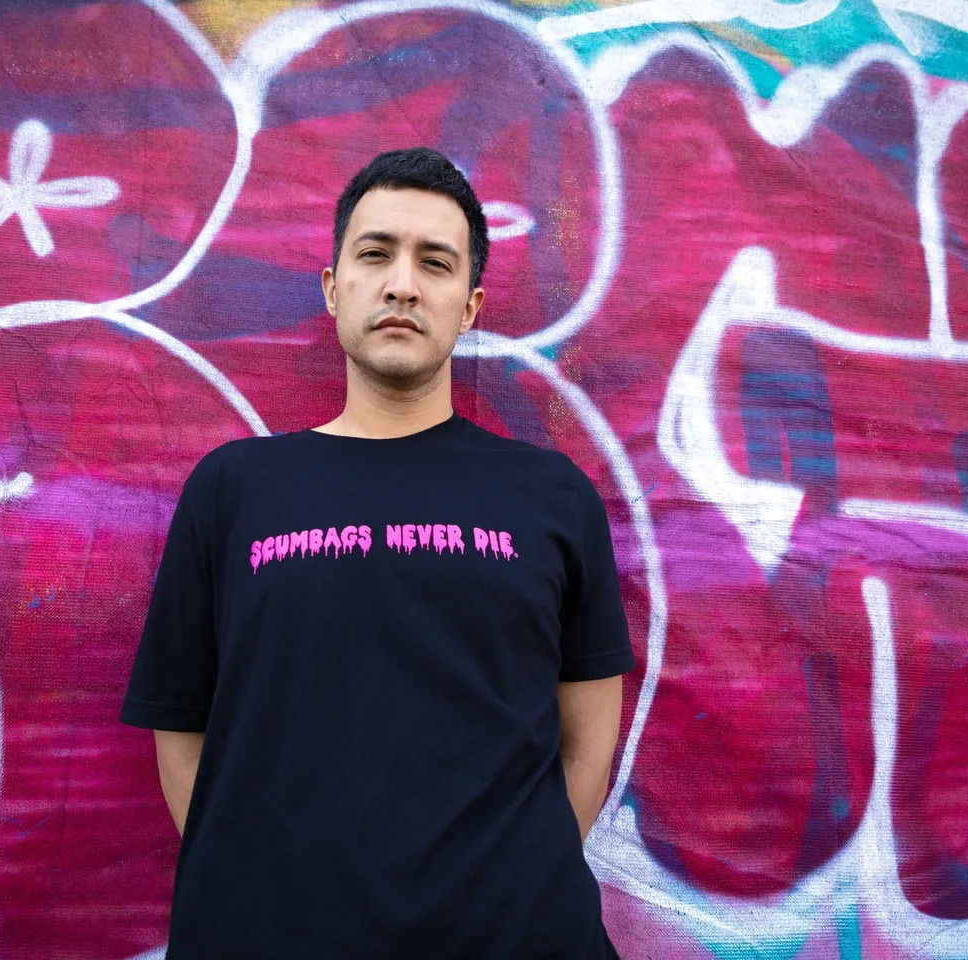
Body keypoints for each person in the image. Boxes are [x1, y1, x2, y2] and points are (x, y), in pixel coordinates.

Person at [121, 147, 635, 958]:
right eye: (375, 254)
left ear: (469, 307)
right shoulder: (234, 490)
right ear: (334, 290)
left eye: (435, 263)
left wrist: (495, 893)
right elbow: (181, 736)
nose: (402, 283)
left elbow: (587, 746)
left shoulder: (553, 496)